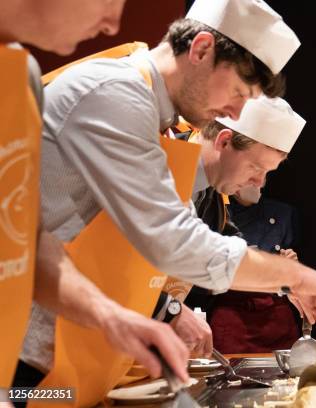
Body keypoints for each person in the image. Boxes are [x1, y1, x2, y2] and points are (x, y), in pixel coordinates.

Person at [20, 0, 316, 405]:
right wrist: (298, 278)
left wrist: (129, 317)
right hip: (24, 362)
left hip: (66, 352)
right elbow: (175, 242)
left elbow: (40, 242)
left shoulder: (155, 120)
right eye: (238, 92)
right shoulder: (118, 94)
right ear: (202, 49)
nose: (235, 111)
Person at [0, 0, 190, 399]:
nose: (111, 24)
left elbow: (27, 240)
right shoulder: (107, 91)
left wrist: (112, 317)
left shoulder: (21, 75)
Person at [182, 96, 305, 352]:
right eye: (255, 167)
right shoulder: (163, 165)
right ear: (224, 141)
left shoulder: (212, 189)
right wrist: (168, 310)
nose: (259, 183)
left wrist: (286, 282)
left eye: (267, 173)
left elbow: (230, 246)